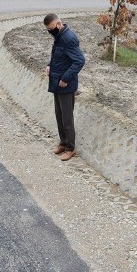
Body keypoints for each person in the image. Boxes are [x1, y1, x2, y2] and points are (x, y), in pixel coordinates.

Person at [43, 13, 85, 161]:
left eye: (51, 28)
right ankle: (63, 142)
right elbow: (58, 57)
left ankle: (70, 148)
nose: (50, 31)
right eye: (48, 29)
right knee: (59, 115)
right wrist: (49, 65)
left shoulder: (69, 39)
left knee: (67, 118)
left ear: (59, 24)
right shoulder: (58, 37)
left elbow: (79, 61)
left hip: (66, 85)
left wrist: (66, 78)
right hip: (56, 82)